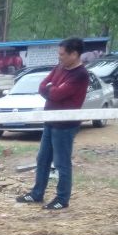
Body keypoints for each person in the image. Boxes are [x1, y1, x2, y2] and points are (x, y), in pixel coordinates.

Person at [16, 37, 89, 210]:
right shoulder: (60, 67)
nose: (59, 57)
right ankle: (37, 193)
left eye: (62, 54)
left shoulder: (80, 74)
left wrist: (52, 89)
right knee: (42, 158)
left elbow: (56, 94)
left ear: (74, 54)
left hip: (65, 125)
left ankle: (62, 199)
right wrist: (52, 89)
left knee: (62, 163)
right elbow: (43, 86)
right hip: (50, 120)